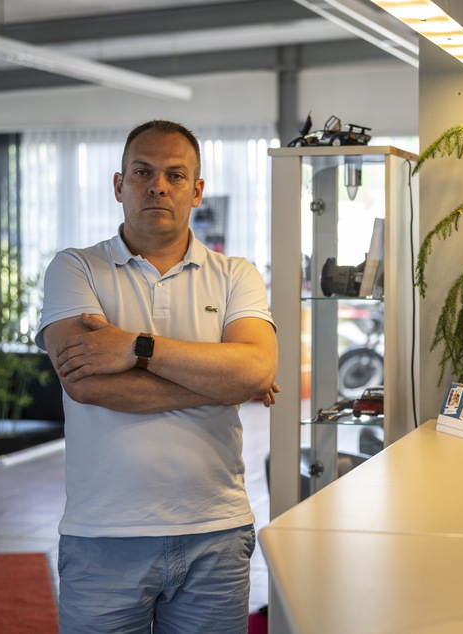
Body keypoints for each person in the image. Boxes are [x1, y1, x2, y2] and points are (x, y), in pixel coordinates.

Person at [34, 119, 279, 634]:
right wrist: (220, 381)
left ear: (197, 190)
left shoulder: (238, 274)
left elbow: (256, 369)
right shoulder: (75, 269)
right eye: (142, 172)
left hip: (216, 530)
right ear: (119, 185)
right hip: (103, 534)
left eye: (175, 174)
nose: (158, 186)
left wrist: (134, 347)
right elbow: (85, 383)